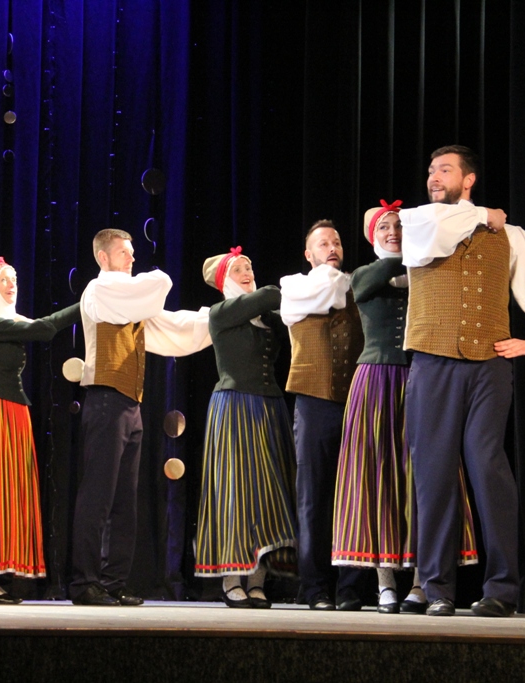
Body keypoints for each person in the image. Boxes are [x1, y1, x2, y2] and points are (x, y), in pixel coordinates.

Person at [400, 145, 525, 617]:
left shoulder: (510, 235)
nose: (434, 177)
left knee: (488, 467)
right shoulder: (420, 221)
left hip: (488, 364)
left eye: (445, 169)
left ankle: (501, 590)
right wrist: (483, 214)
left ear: (469, 178)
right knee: (433, 473)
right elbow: (437, 235)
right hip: (432, 362)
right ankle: (436, 588)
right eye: (431, 170)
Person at [330, 202, 478, 614]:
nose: (393, 231)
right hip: (376, 381)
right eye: (385, 227)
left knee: (420, 477)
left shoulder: (424, 273)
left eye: (399, 225)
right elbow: (372, 281)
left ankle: (420, 582)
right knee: (376, 477)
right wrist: (420, 247)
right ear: (372, 236)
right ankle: (384, 583)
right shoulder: (365, 274)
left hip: (421, 378)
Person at [70, 228, 211, 606]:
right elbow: (157, 285)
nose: (133, 259)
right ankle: (85, 583)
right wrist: (159, 280)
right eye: (124, 253)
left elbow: (173, 326)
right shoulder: (101, 290)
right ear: (103, 257)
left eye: (132, 252)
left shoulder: (130, 303)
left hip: (129, 405)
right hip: (105, 400)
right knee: (98, 496)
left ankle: (112, 582)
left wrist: (216, 319)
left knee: (124, 501)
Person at [0, 258, 79, 603]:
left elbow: (37, 325)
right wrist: (85, 305)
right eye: (4, 280)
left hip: (13, 410)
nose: (12, 285)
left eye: (15, 279)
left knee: (10, 490)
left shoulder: (8, 320)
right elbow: (45, 329)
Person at [195, 247, 296, 609]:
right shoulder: (222, 312)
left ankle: (257, 580)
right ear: (225, 279)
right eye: (239, 268)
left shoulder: (268, 318)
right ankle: (231, 579)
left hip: (270, 407)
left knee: (268, 493)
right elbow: (272, 294)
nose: (247, 272)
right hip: (235, 406)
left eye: (250, 266)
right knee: (235, 491)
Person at [279, 220, 366, 611]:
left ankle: (351, 587)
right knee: (313, 497)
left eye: (337, 242)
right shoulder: (296, 287)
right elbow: (325, 290)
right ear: (308, 254)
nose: (332, 248)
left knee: (355, 496)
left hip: (356, 400)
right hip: (313, 401)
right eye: (323, 243)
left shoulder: (356, 285)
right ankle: (314, 588)